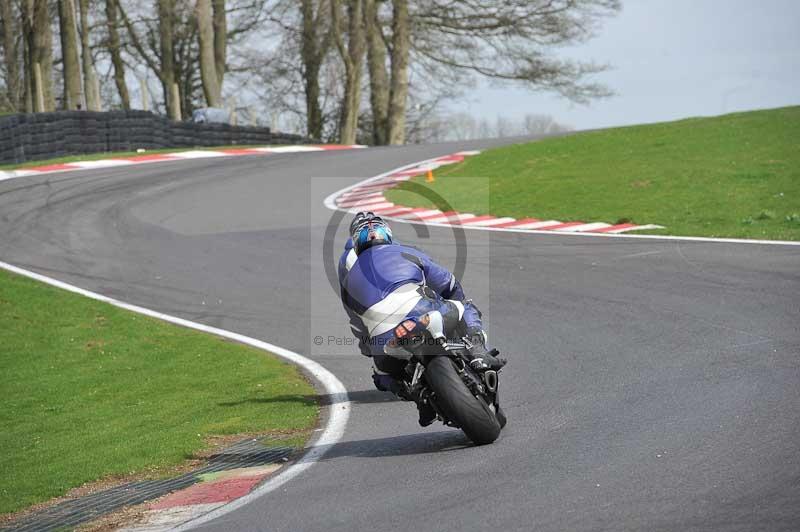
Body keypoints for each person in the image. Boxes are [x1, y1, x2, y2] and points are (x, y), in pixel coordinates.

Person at [337, 211, 504, 426]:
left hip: (385, 340)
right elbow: (448, 283)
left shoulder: (347, 281)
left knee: (381, 376)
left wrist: (370, 349)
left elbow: (358, 328)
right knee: (466, 308)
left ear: (355, 242)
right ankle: (478, 352)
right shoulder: (405, 251)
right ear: (387, 234)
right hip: (422, 313)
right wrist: (454, 299)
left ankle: (420, 398)